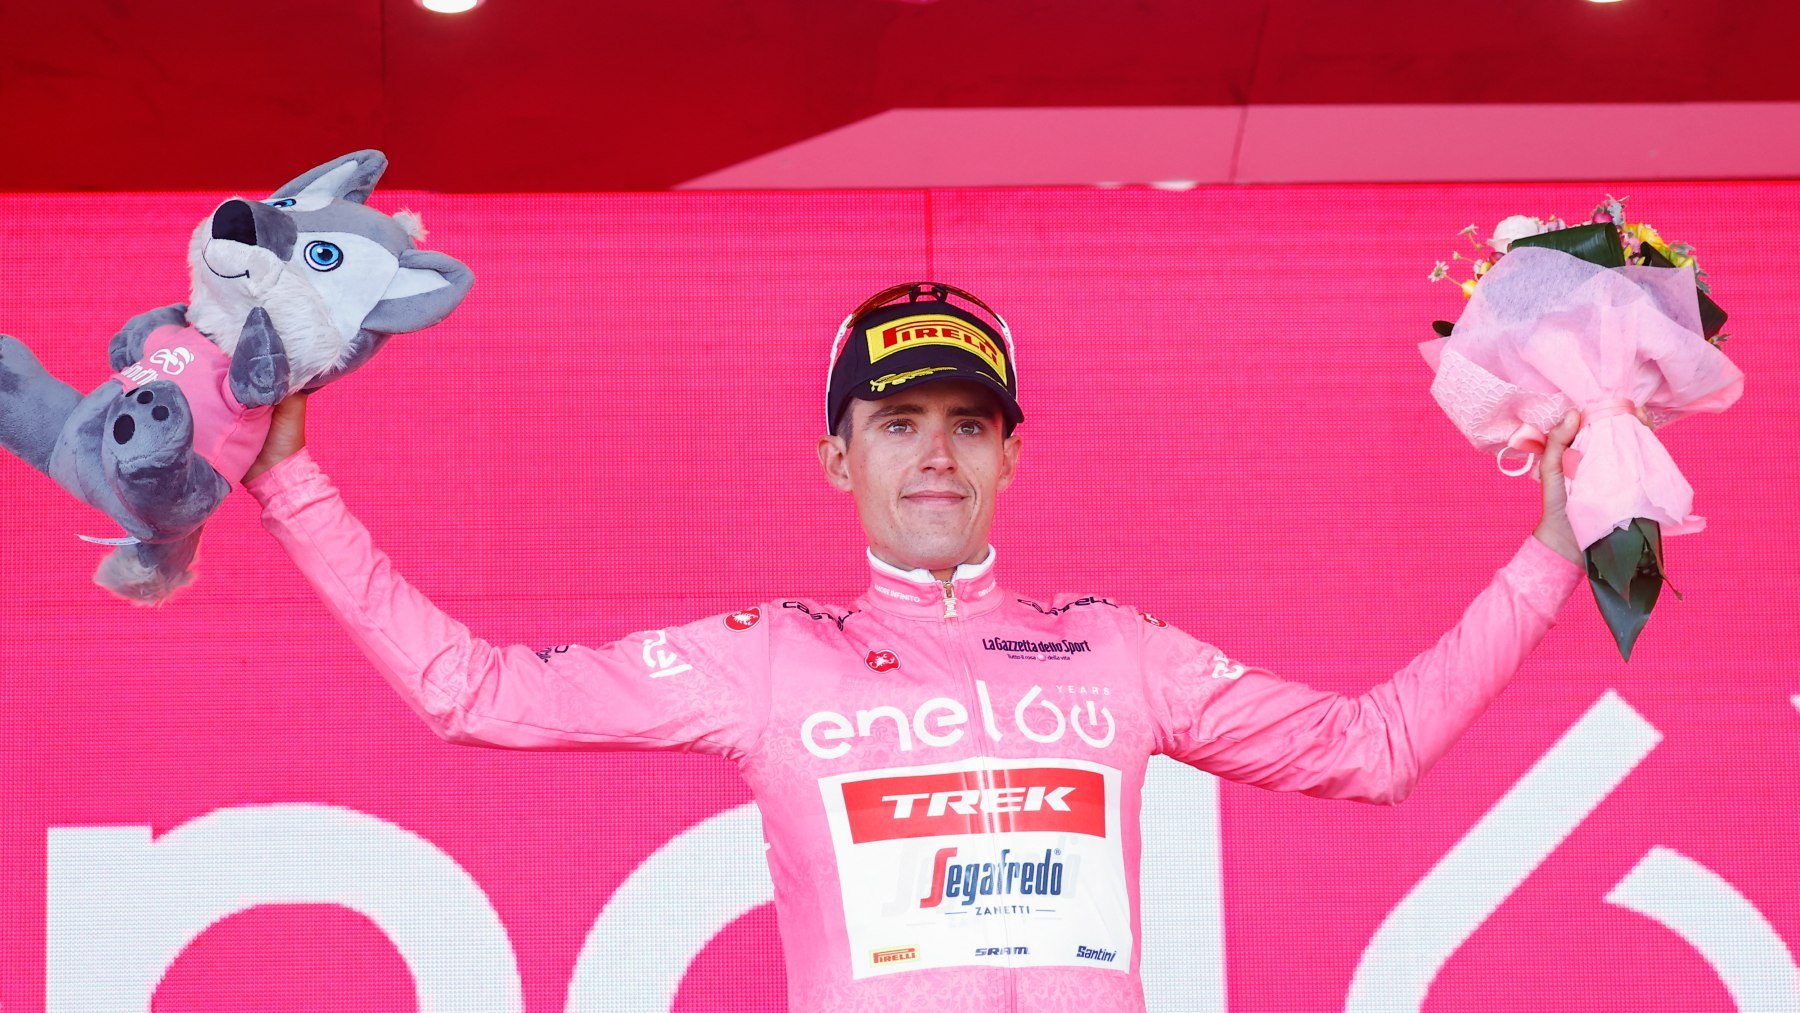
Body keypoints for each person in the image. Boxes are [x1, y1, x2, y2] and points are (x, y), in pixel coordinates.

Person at [243, 281, 1586, 1011]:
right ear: (838, 454)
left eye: (966, 420)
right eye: (897, 421)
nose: (935, 452)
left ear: (1010, 452)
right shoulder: (769, 655)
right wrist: (289, 482)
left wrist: (1555, 548)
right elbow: (468, 691)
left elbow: (1378, 749)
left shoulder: (1116, 649)